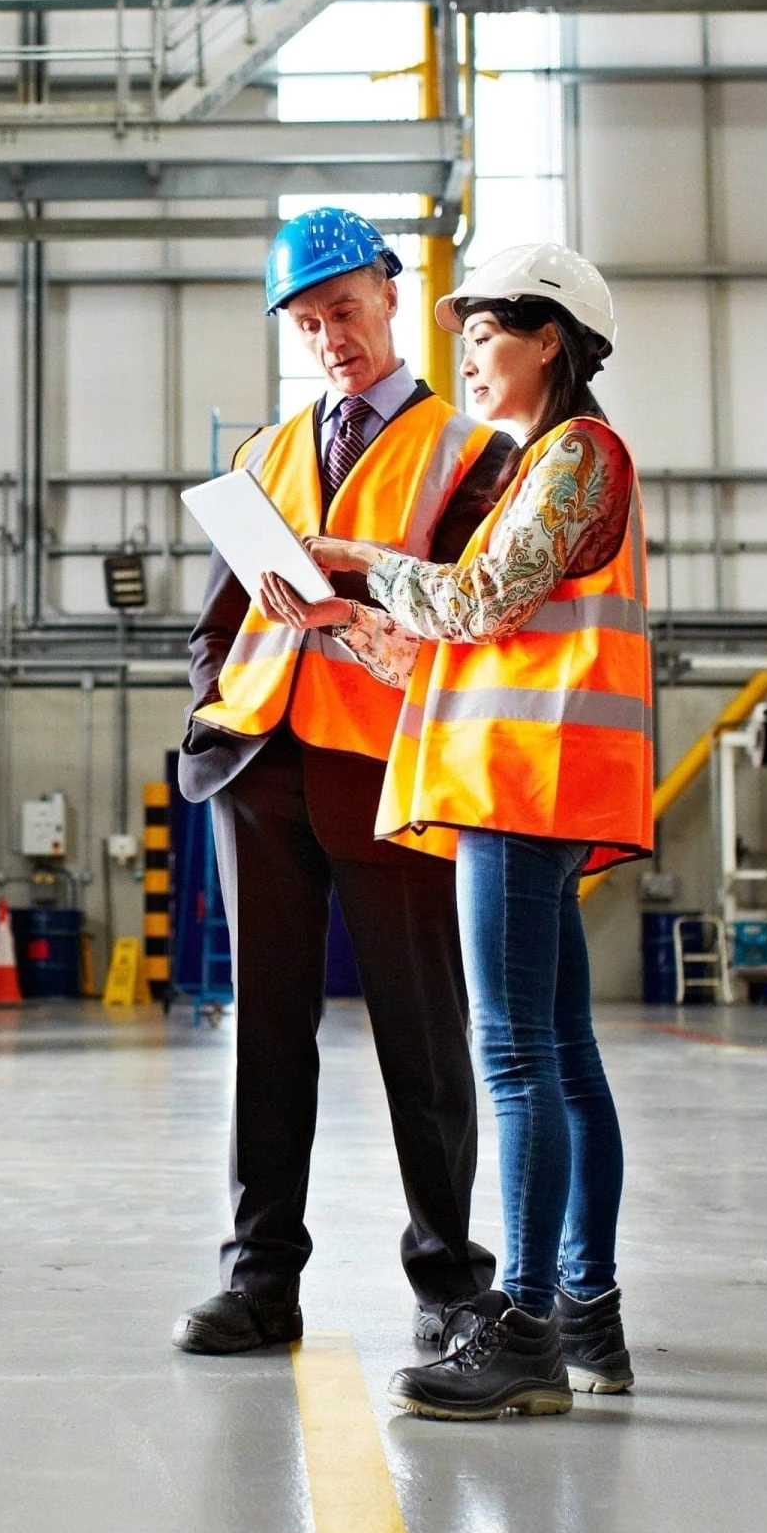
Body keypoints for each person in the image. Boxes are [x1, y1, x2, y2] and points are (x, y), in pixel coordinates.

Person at [259, 242, 651, 1420]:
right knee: (564, 1061)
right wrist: (335, 617)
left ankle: (527, 1325)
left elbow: (476, 604)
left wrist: (357, 557)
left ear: (552, 341)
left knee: (520, 1059)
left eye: (485, 336)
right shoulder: (547, 468)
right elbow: (456, 651)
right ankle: (586, 1313)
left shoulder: (577, 457)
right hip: (520, 780)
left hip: (524, 788)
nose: (468, 357)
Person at [174, 207, 517, 1359]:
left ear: (391, 293)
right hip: (260, 765)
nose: (331, 337)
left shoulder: (472, 456)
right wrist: (209, 708)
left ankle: (450, 1283)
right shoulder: (261, 456)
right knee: (265, 1033)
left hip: (391, 766)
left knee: (422, 1030)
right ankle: (260, 1280)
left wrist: (358, 607)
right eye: (308, 321)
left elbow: (478, 620)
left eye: (347, 310)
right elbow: (215, 621)